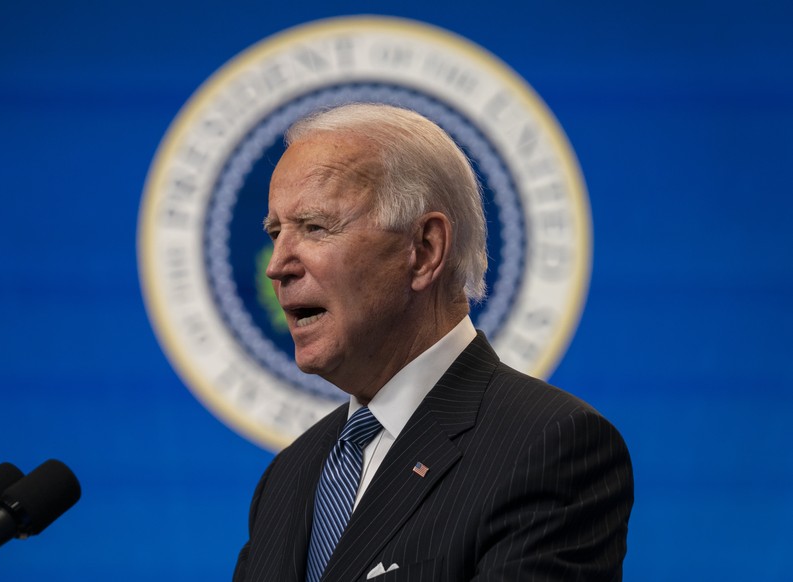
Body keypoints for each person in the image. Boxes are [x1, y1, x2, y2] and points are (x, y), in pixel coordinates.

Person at [233, 103, 633, 582]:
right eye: (276, 233)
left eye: (315, 227)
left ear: (423, 250)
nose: (277, 265)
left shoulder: (548, 446)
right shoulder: (288, 478)